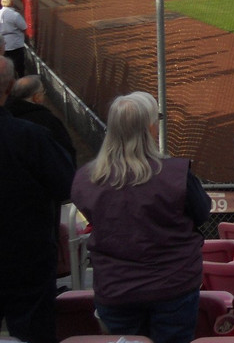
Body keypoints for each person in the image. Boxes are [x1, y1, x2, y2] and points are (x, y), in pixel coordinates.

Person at [70, 92, 209, 343]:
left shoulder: (86, 178)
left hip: (116, 287)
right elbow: (201, 214)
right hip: (172, 286)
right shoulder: (175, 175)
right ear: (148, 129)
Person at [0, 60, 75, 343]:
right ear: (10, 88)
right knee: (33, 334)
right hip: (26, 259)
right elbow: (66, 185)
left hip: (27, 257)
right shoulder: (31, 136)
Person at [8, 75, 77, 163]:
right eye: (42, 92)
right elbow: (66, 150)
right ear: (36, 98)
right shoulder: (47, 120)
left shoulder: (7, 116)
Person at [0, 0, 28, 75]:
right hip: (15, 45)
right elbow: (24, 27)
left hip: (3, 44)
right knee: (19, 67)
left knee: (6, 67)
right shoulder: (15, 15)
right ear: (12, 3)